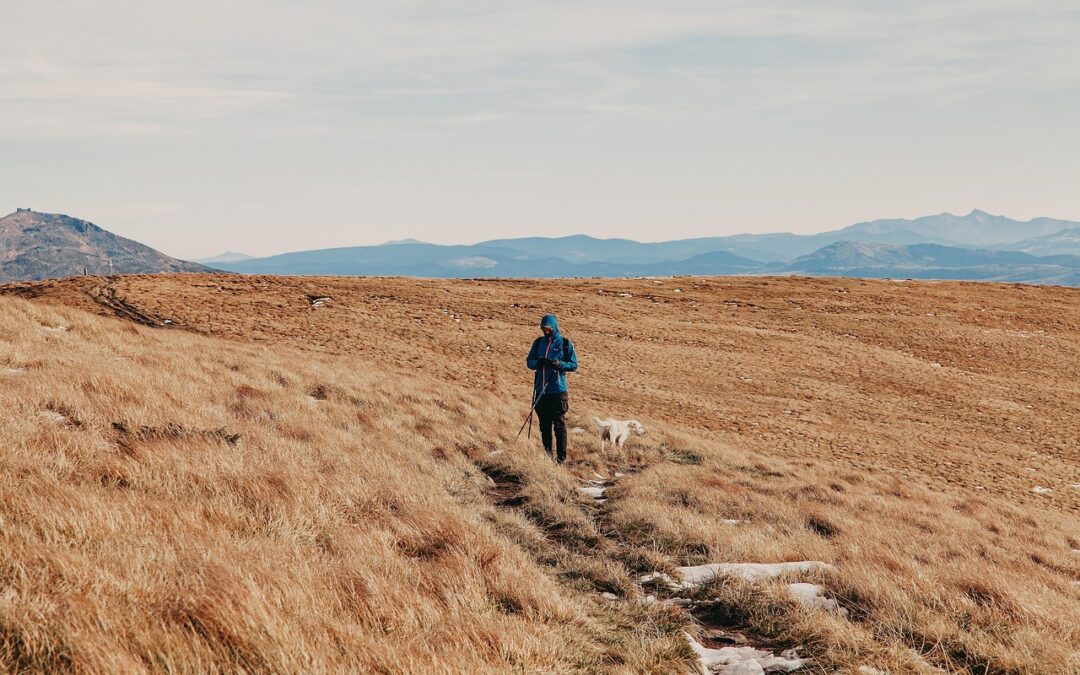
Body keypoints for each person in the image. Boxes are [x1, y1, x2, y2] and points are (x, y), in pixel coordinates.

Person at [526, 314, 579, 463]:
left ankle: (561, 460)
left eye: (548, 328)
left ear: (554, 327)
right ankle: (548, 458)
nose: (546, 331)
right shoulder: (538, 343)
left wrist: (560, 364)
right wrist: (538, 362)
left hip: (557, 391)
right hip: (540, 391)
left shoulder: (565, 344)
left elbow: (574, 365)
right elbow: (529, 362)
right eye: (543, 329)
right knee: (544, 427)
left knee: (559, 426)